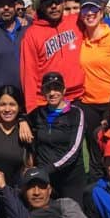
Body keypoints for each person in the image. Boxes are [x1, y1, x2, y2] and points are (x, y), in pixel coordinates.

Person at [78, 0, 110, 169]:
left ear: (101, 13)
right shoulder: (80, 40)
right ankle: (96, 180)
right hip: (88, 103)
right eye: (85, 9)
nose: (89, 13)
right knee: (93, 147)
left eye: (93, 9)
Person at [19, 0, 84, 108]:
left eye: (57, 1)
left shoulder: (76, 22)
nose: (53, 6)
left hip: (78, 97)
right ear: (41, 6)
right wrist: (31, 107)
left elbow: (98, 20)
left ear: (63, 3)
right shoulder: (32, 34)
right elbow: (28, 74)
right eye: (48, 3)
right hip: (47, 101)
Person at [27, 72, 87, 204]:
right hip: (45, 177)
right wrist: (22, 121)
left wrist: (51, 168)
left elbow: (74, 148)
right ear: (43, 92)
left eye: (57, 88)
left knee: (72, 214)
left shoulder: (75, 113)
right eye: (48, 89)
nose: (52, 93)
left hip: (70, 177)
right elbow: (23, 118)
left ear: (64, 90)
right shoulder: (38, 113)